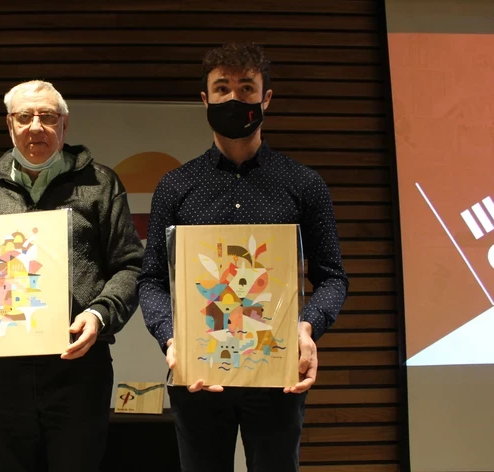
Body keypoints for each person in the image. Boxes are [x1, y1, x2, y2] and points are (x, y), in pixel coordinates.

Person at [138, 42, 349, 472]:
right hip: (199, 375)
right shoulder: (176, 186)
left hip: (276, 373)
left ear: (265, 98)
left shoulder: (304, 184)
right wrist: (172, 339)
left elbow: (332, 277)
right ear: (205, 99)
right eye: (222, 88)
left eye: (246, 87)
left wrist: (308, 327)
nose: (234, 99)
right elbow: (152, 280)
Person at [0, 80, 143, 472]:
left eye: (47, 116)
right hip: (2, 371)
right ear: (10, 124)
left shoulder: (101, 184)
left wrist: (100, 313)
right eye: (25, 117)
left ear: (64, 125)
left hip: (77, 366)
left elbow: (131, 265)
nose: (36, 126)